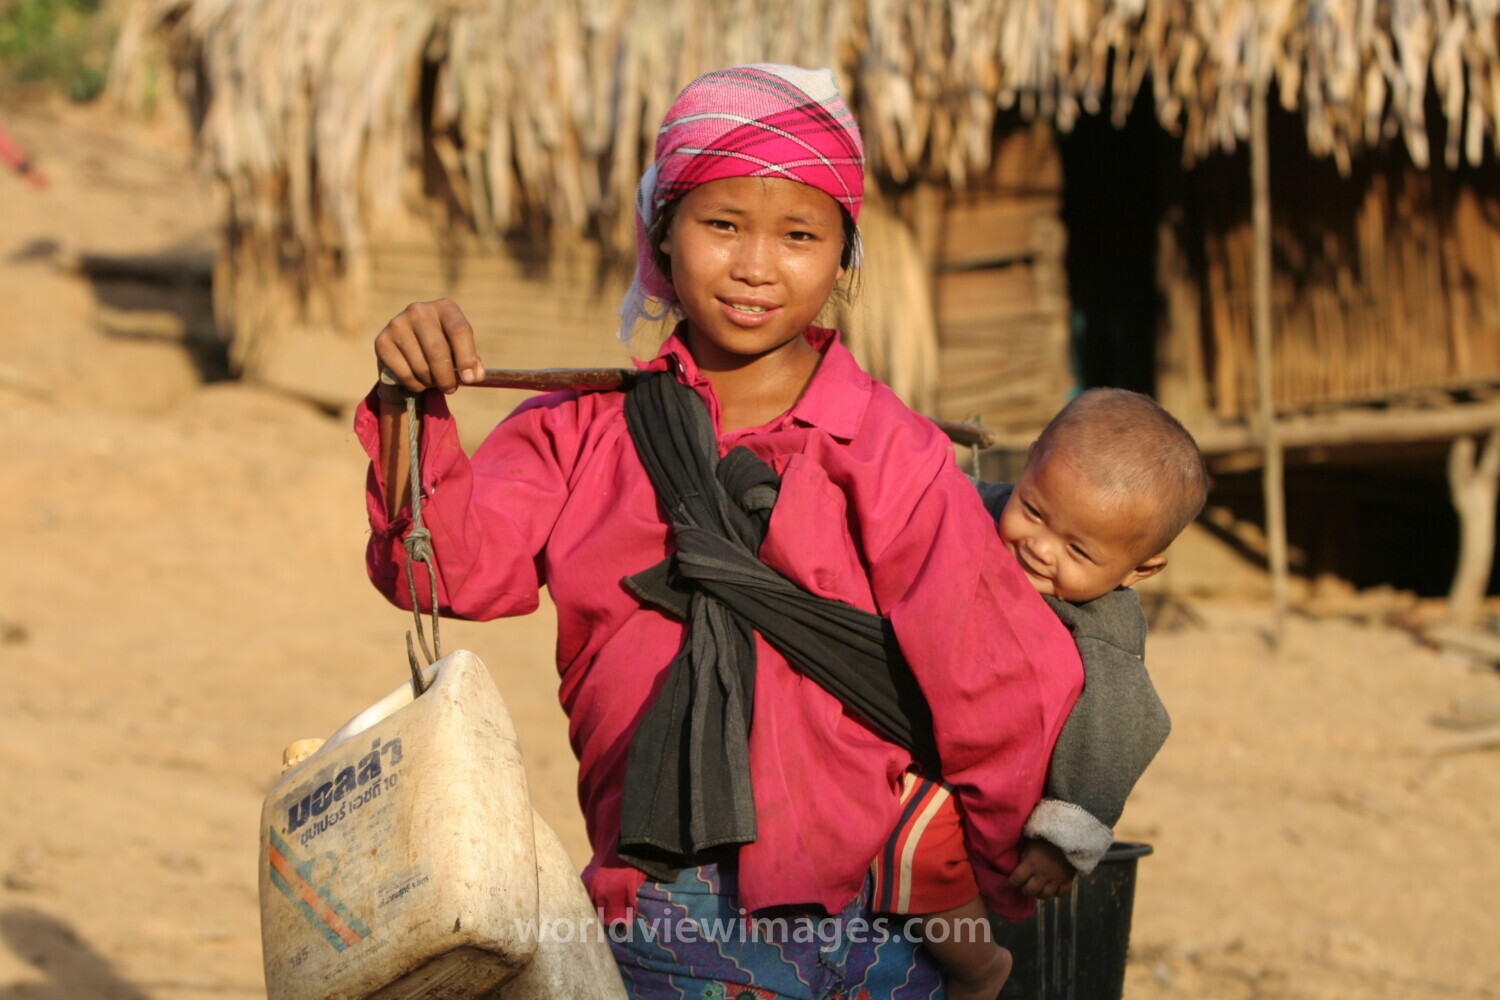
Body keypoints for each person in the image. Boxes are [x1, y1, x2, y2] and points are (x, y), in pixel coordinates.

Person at [358, 64, 1083, 1000]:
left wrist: (986, 864)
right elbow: (442, 571)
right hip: (668, 909)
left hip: (881, 907)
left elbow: (992, 669)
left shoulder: (888, 451)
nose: (756, 266)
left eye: (800, 236)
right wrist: (407, 404)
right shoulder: (579, 432)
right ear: (663, 229)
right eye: (723, 224)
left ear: (843, 255)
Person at [870, 388, 1208, 996]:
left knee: (918, 859)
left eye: (1078, 550)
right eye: (1034, 509)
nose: (1040, 546)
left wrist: (1066, 836)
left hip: (990, 790)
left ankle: (980, 967)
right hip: (907, 730)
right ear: (1025, 468)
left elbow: (1124, 726)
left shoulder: (1104, 623)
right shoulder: (972, 510)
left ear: (1140, 569)